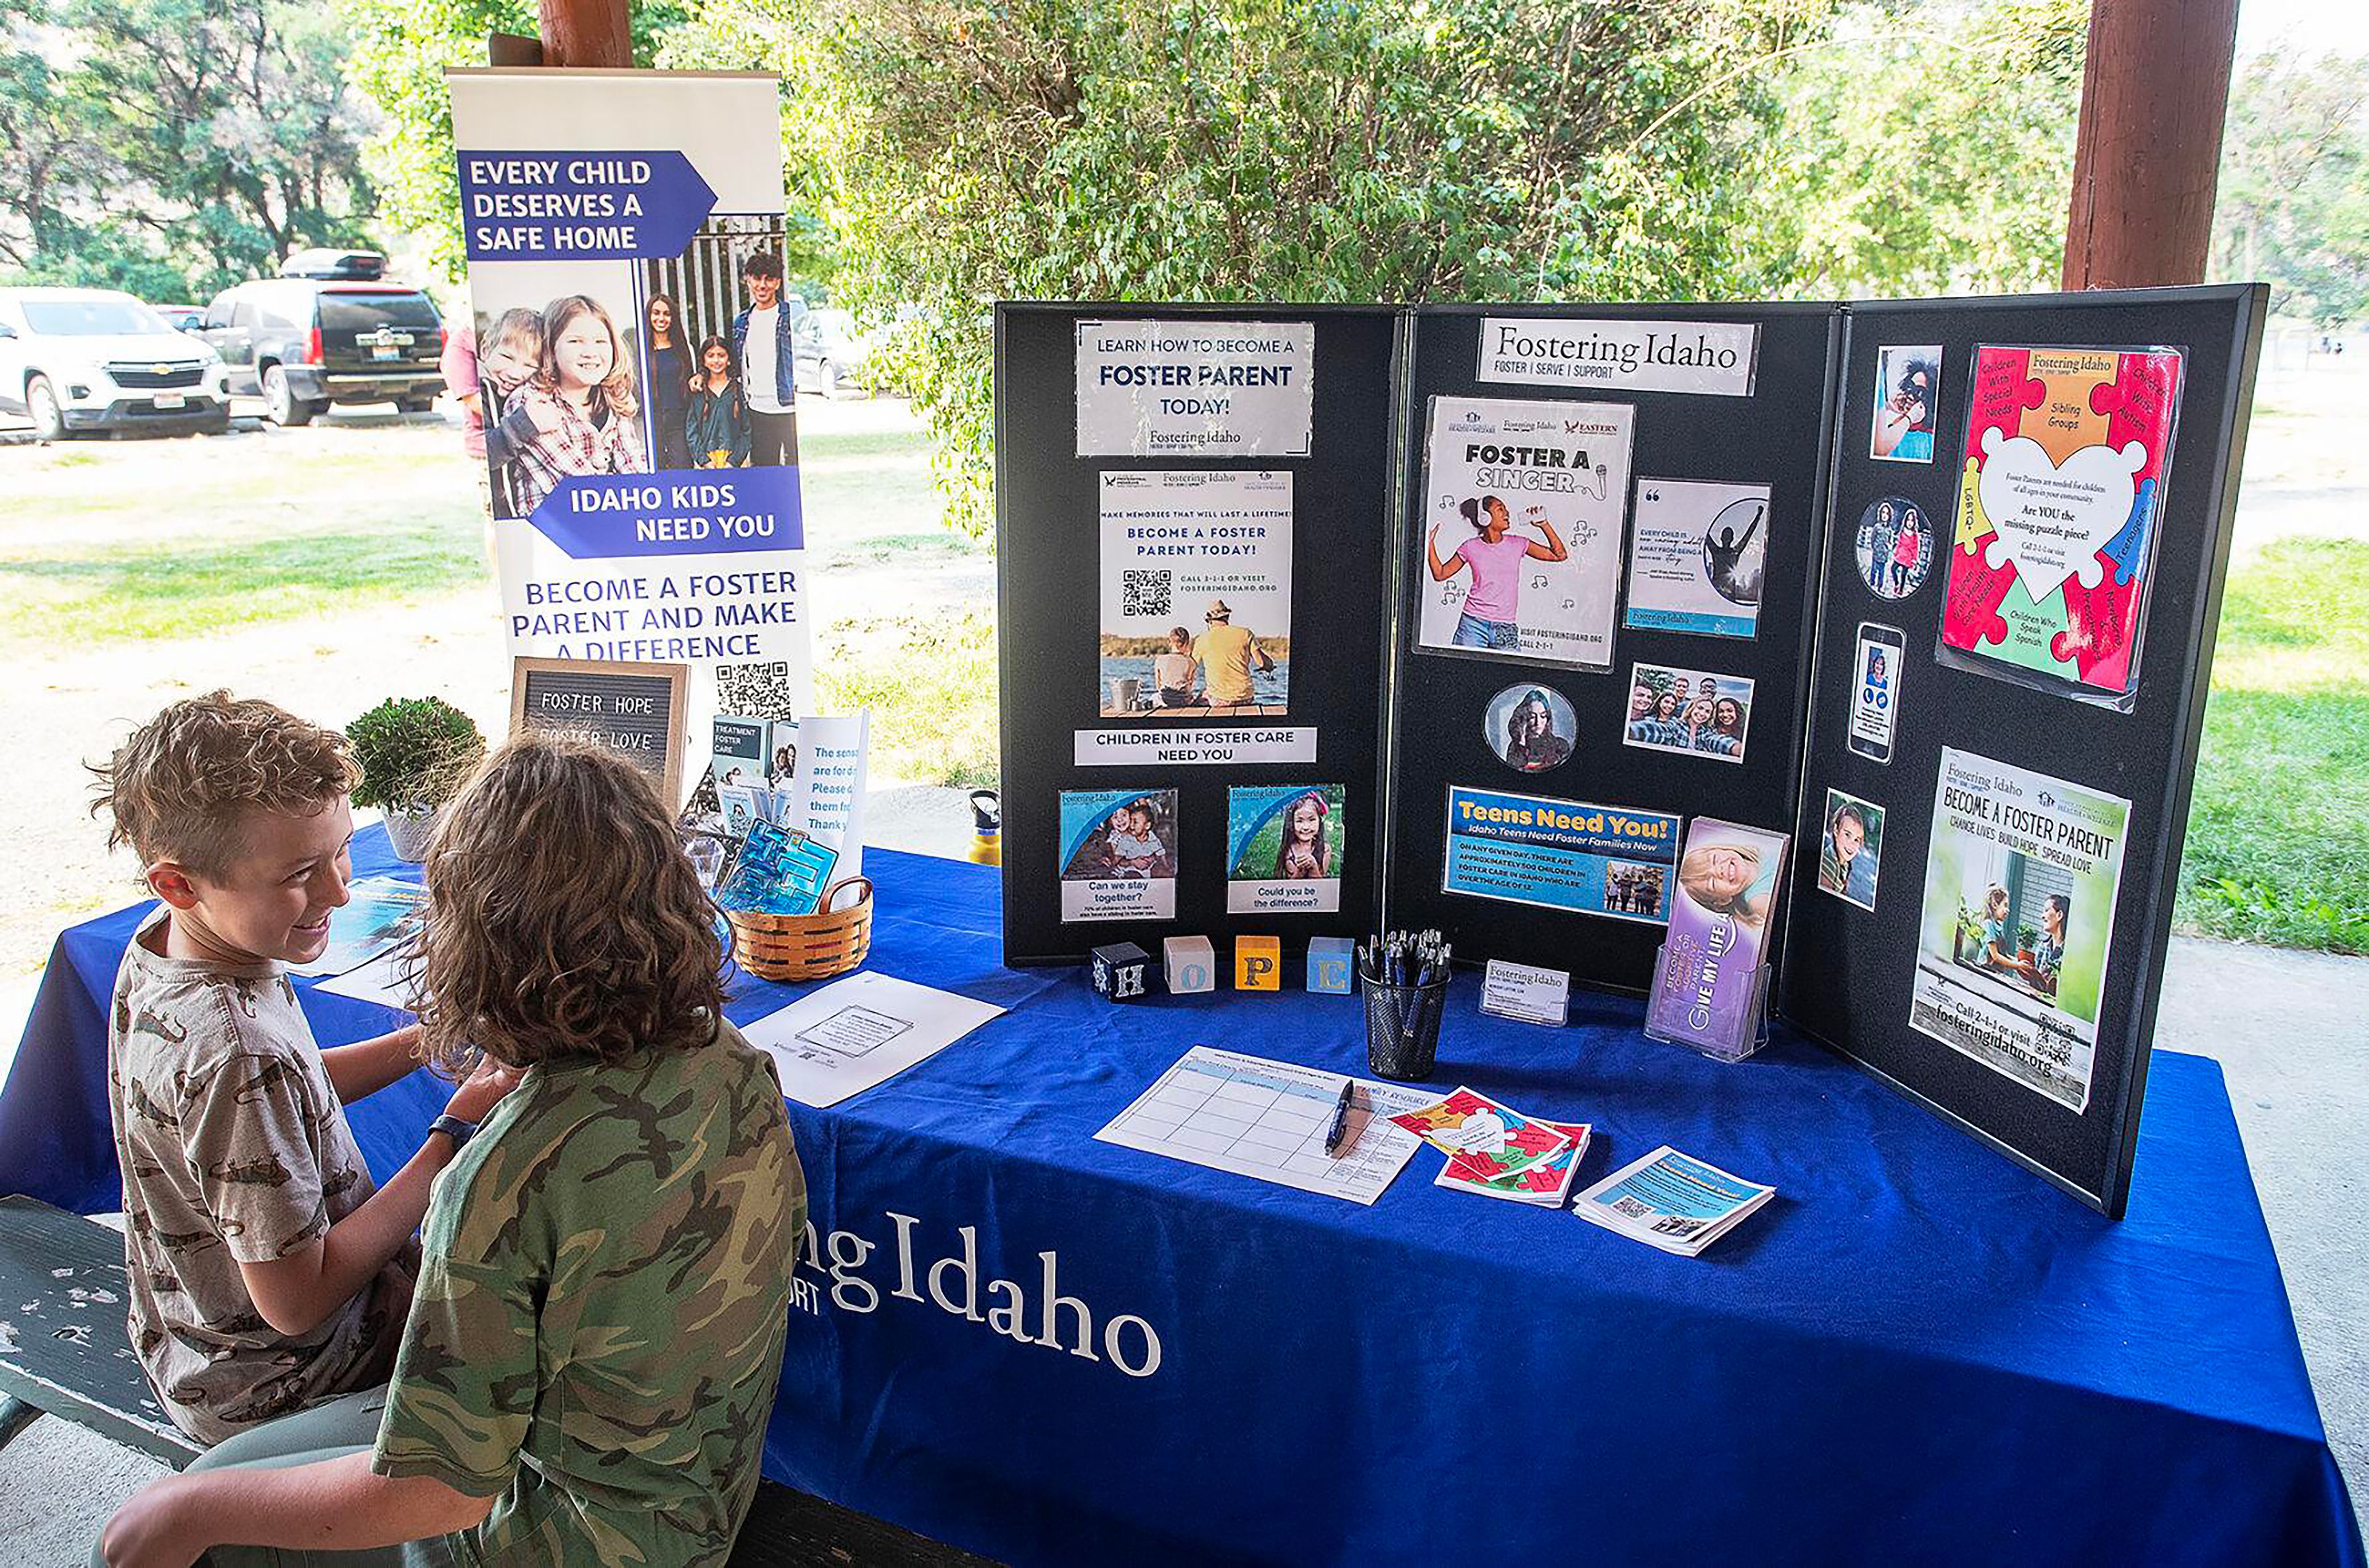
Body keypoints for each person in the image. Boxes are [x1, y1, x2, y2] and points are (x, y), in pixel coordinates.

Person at [97, 737, 805, 1568]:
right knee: (224, 1483)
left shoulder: (498, 1181)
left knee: (203, 1509)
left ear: (472, 945)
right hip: (700, 1491)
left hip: (559, 1540)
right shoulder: (731, 1058)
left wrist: (186, 1511)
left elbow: (441, 1490)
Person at [88, 693, 516, 1448]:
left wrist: (419, 1043)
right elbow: (298, 1298)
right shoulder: (234, 1051)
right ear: (179, 883)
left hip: (191, 1342)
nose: (339, 891)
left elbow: (280, 1089)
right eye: (301, 873)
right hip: (286, 1382)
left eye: (342, 850)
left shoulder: (173, 948)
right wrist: (455, 1137)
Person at [500, 295, 647, 514]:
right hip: (554, 529)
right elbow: (580, 483)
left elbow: (633, 465)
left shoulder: (613, 397)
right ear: (552, 348)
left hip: (611, 515)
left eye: (600, 341)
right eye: (575, 341)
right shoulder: (531, 401)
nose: (590, 352)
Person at [1428, 496, 1567, 651]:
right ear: (1484, 517)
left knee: (1508, 673)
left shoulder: (1519, 544)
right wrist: (1429, 543)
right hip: (1472, 624)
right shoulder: (1469, 547)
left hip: (1505, 627)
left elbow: (1559, 555)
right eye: (1500, 509)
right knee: (1465, 671)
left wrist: (1544, 525)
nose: (1507, 513)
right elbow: (1440, 574)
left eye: (1505, 509)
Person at [474, 308, 544, 519]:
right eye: (507, 357)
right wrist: (524, 425)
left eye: (530, 366)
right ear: (486, 349)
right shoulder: (478, 393)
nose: (515, 373)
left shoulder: (526, 397)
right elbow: (483, 454)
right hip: (495, 513)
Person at [731, 252, 798, 466]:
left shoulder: (789, 316)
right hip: (757, 410)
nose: (762, 285)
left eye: (769, 279)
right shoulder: (742, 322)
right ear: (748, 280)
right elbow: (736, 364)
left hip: (789, 408)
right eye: (757, 278)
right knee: (764, 472)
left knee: (794, 472)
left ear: (778, 283)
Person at [1191, 600, 1275, 708]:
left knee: (1197, 703)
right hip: (1246, 698)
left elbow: (1191, 668)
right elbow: (1262, 663)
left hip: (1218, 699)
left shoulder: (1202, 639)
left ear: (1209, 620)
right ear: (1227, 617)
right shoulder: (1245, 633)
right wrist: (1270, 665)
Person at [683, 335, 750, 469]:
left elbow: (746, 430)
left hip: (736, 463)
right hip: (707, 463)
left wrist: (734, 462)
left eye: (721, 355)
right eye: (711, 355)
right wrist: (703, 461)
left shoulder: (738, 390)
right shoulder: (699, 391)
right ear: (704, 360)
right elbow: (692, 430)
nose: (716, 360)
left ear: (729, 360)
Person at [643, 292, 692, 471]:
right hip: (652, 420)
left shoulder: (682, 348)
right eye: (656, 313)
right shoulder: (641, 350)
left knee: (683, 469)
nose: (661, 318)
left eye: (667, 314)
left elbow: (690, 379)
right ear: (649, 316)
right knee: (656, 472)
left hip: (678, 420)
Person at [1677, 840, 1769, 927]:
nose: (1718, 871)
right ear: (1723, 900)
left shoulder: (1761, 849)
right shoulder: (1758, 901)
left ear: (1722, 849)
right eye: (1712, 883)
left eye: (1714, 859)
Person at [1873, 358, 1938, 461]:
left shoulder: (1925, 443)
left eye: (1919, 393)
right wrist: (1888, 406)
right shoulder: (1896, 429)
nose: (1911, 396)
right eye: (1910, 387)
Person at [1818, 798, 1879, 905]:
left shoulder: (1845, 864)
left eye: (1857, 840)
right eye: (1847, 835)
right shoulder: (1828, 863)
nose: (1851, 844)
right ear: (1836, 831)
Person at [1502, 689, 1571, 771]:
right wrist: (1522, 742)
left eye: (1543, 716)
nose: (1538, 722)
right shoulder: (1515, 747)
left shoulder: (1560, 746)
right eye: (1532, 717)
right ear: (1524, 718)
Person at [1703, 502, 1763, 596]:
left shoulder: (1734, 552)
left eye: (1728, 535)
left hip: (1728, 592)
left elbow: (1748, 534)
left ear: (1731, 539)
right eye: (1725, 535)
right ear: (1721, 538)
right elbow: (1705, 534)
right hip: (1716, 591)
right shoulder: (1717, 551)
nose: (1726, 538)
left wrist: (1758, 517)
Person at [1273, 791, 1331, 880]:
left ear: (1320, 821)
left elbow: (1321, 885)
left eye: (1312, 820)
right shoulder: (1289, 852)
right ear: (1292, 823)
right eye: (1300, 821)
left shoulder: (1325, 849)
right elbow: (1291, 887)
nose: (1306, 827)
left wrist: (1313, 867)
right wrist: (1300, 870)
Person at [1152, 626, 1201, 708]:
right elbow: (1190, 686)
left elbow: (1158, 686)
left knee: (1154, 697)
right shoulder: (1191, 662)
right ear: (1187, 643)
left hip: (1165, 700)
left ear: (1170, 642)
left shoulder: (1160, 660)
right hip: (1184, 701)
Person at [1891, 507, 1923, 595]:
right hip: (1900, 555)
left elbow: (1916, 548)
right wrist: (1896, 553)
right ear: (1905, 520)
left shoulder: (1915, 535)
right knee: (1893, 569)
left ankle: (1901, 589)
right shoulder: (1902, 531)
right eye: (1908, 520)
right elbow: (1899, 544)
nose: (1910, 523)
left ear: (1914, 522)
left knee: (1903, 575)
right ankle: (1897, 584)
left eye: (1912, 521)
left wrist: (1914, 559)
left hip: (1908, 558)